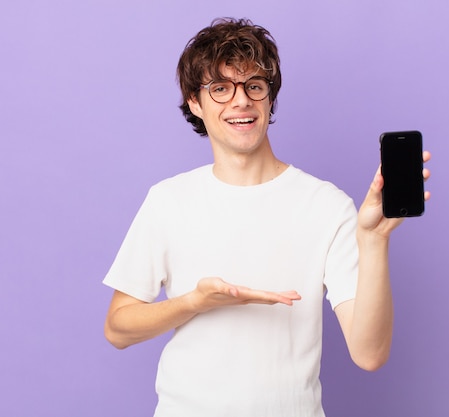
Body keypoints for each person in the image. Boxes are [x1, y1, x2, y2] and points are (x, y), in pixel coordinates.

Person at [103, 17, 431, 417]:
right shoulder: (168, 200)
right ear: (195, 102)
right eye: (220, 89)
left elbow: (369, 354)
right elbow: (118, 328)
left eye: (254, 86)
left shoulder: (326, 205)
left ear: (269, 100)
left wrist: (376, 240)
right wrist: (196, 302)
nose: (241, 101)